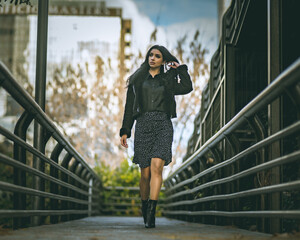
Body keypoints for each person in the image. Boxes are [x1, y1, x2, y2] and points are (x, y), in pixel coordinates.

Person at [120, 45, 193, 228]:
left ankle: (151, 214)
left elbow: (186, 87)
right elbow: (129, 107)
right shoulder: (137, 79)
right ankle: (145, 207)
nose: (152, 58)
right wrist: (125, 130)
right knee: (145, 173)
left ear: (163, 60)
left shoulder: (168, 79)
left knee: (157, 167)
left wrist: (180, 69)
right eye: (150, 55)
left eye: (157, 56)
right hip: (143, 124)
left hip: (163, 124)